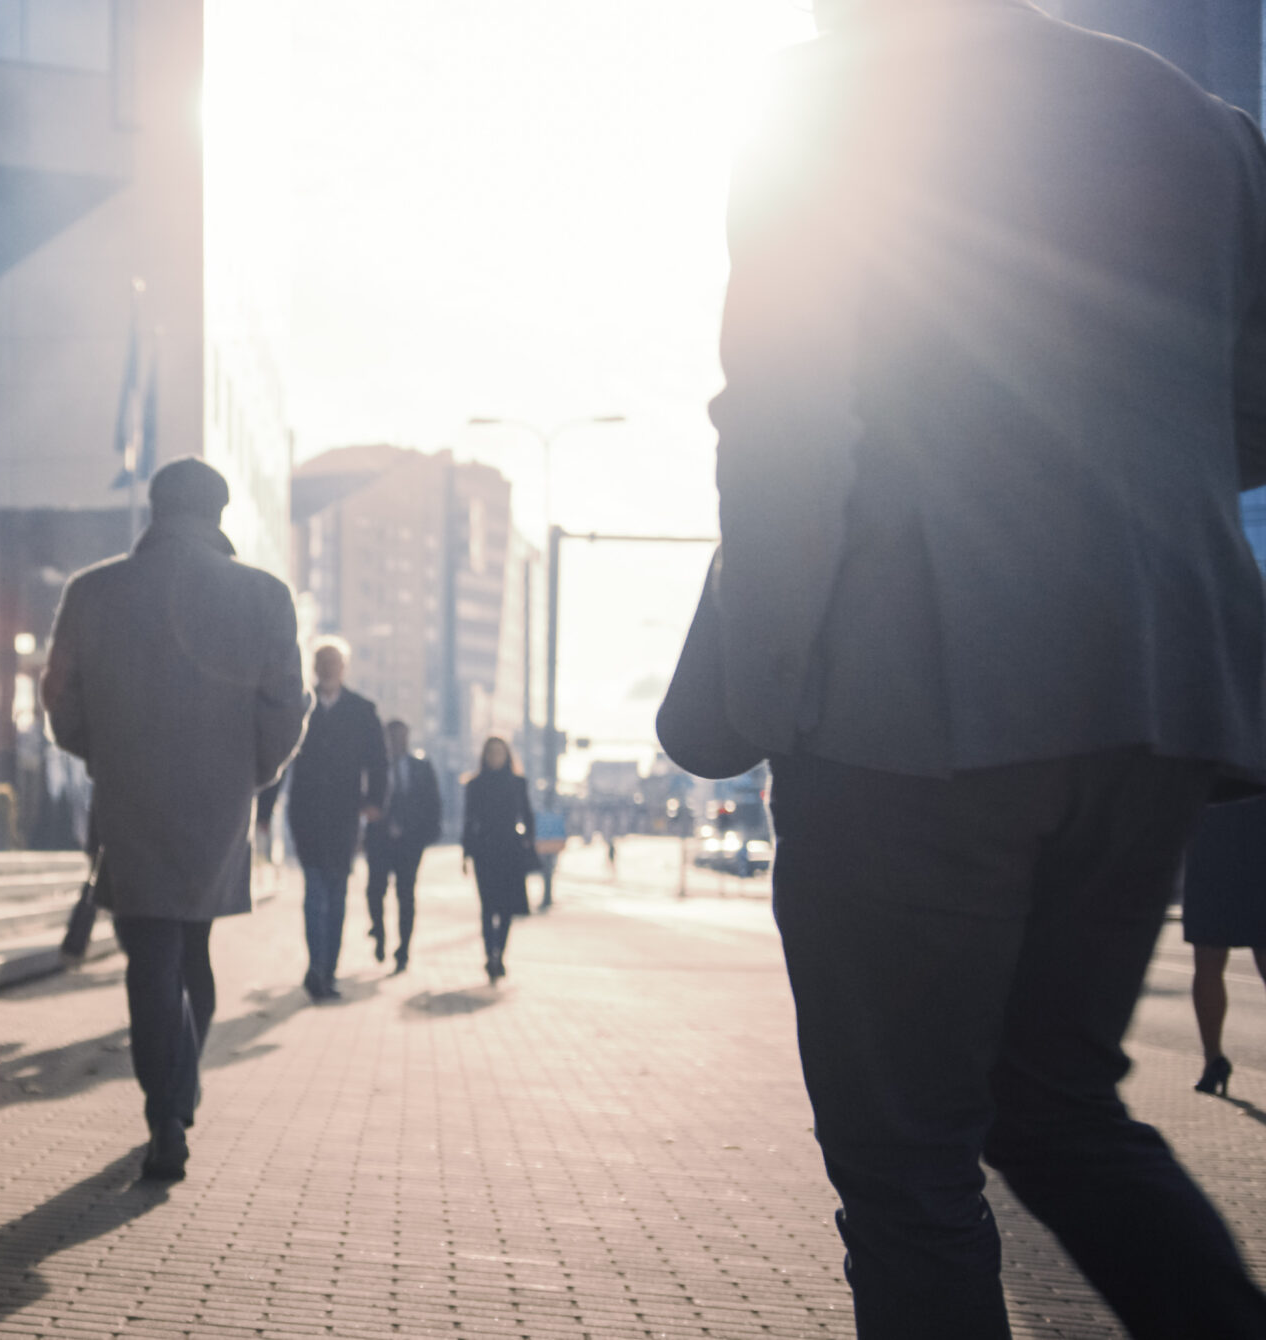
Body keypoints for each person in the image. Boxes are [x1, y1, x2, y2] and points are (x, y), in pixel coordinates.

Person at [663, 2, 1266, 1331]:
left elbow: (784, 416)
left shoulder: (827, 101)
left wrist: (771, 693)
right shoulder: (1195, 116)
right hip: (1154, 696)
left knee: (907, 1167)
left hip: (911, 695)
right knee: (1056, 1109)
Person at [43, 457, 308, 1182]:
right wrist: (250, 774)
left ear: (154, 510)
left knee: (149, 954)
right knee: (194, 948)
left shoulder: (93, 591)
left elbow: (60, 703)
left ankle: (164, 1109)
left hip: (129, 793)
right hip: (220, 798)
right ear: (219, 515)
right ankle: (178, 1094)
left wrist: (106, 754)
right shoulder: (264, 596)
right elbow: (286, 708)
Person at [257, 639, 386, 1001]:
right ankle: (316, 969)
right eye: (322, 662)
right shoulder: (298, 707)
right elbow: (278, 760)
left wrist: (376, 801)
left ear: (344, 668)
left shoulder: (363, 710)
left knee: (337, 892)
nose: (328, 668)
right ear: (314, 667)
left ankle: (329, 970)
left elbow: (378, 761)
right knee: (315, 893)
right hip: (307, 816)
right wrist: (265, 811)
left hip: (345, 816)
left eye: (334, 662)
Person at [1182, 798, 1266, 1096]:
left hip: (1213, 824)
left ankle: (1213, 1060)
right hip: (1257, 824)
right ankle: (1212, 1060)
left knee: (1208, 958)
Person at [364, 720, 441, 974]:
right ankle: (379, 932)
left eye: (402, 736)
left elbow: (433, 802)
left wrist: (427, 835)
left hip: (410, 842)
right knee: (375, 890)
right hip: (379, 841)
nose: (398, 741)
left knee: (406, 895)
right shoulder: (375, 767)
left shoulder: (421, 766)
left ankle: (403, 950)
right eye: (393, 737)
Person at [460, 737, 533, 985]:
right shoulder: (475, 784)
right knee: (487, 907)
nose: (495, 757)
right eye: (491, 752)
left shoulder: (518, 783)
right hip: (485, 851)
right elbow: (469, 820)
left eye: (500, 753)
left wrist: (529, 846)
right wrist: (466, 853)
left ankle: (498, 953)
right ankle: (489, 953)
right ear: (485, 756)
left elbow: (527, 815)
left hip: (510, 851)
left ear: (507, 756)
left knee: (506, 909)